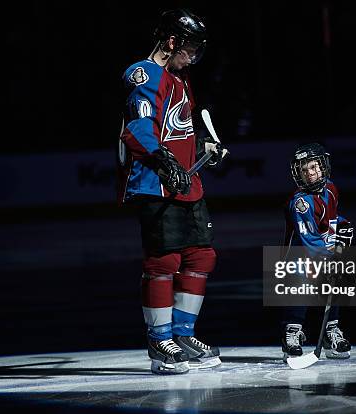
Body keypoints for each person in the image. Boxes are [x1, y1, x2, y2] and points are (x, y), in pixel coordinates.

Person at [116, 9, 227, 375]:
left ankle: (181, 334)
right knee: (164, 262)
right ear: (172, 41)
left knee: (200, 256)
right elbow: (137, 129)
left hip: (186, 182)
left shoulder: (181, 78)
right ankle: (158, 340)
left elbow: (182, 125)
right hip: (156, 183)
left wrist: (205, 148)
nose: (194, 55)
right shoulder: (145, 73)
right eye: (190, 47)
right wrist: (166, 164)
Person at [280, 143, 353, 360]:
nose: (310, 174)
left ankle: (330, 331)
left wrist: (343, 225)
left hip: (321, 251)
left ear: (323, 166)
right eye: (304, 170)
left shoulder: (331, 189)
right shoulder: (300, 202)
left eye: (313, 167)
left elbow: (328, 222)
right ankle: (292, 333)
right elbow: (310, 239)